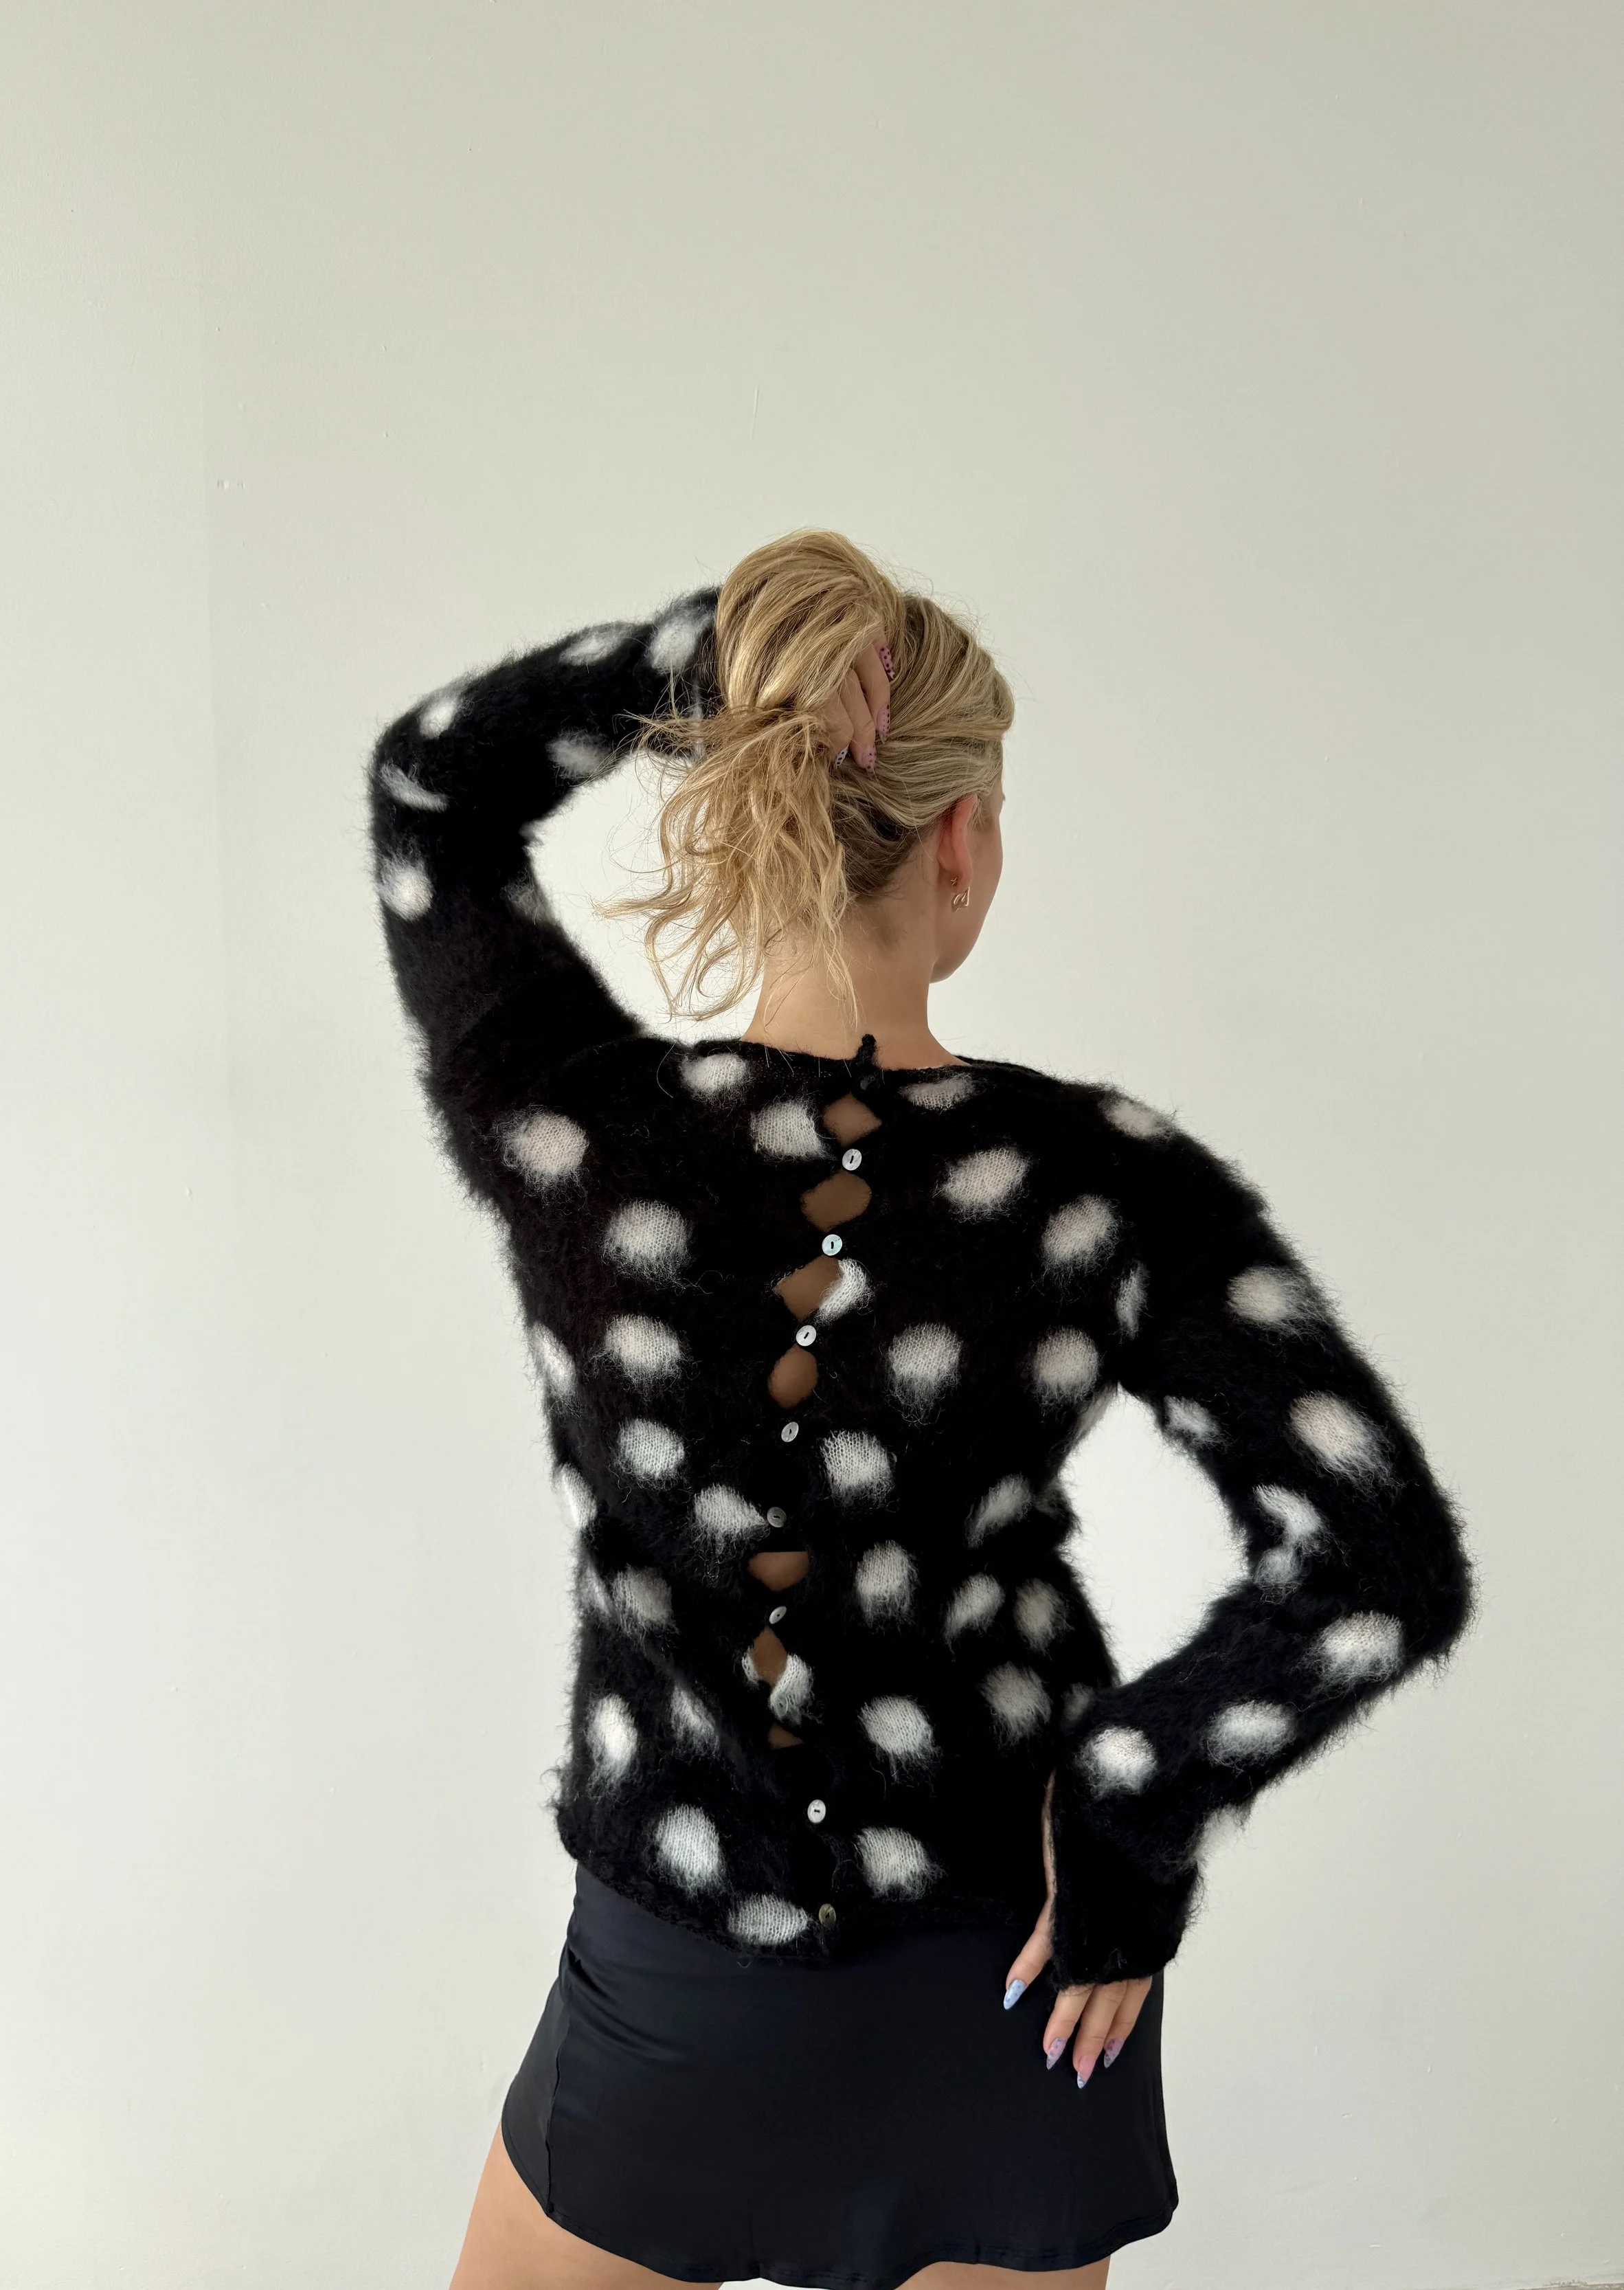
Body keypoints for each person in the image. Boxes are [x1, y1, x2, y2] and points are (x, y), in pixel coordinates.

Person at [364, 529, 1471, 2289]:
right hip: (1021, 1989)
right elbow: (1377, 1558)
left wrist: (691, 659)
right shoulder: (1107, 1183)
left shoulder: (573, 1125)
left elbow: (431, 791)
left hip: (677, 1986)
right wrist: (1127, 1810)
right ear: (962, 838)